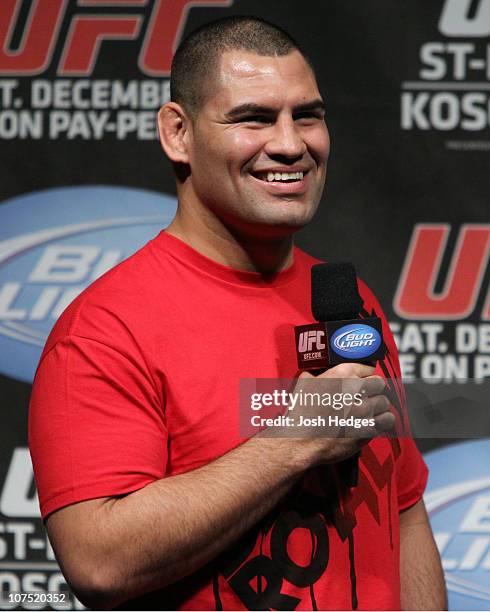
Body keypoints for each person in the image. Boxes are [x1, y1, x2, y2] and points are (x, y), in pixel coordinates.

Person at [29, 16, 446, 611]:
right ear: (178, 134)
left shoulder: (351, 307)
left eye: (307, 115)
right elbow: (99, 562)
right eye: (253, 118)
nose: (290, 144)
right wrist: (291, 443)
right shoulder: (103, 331)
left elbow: (402, 511)